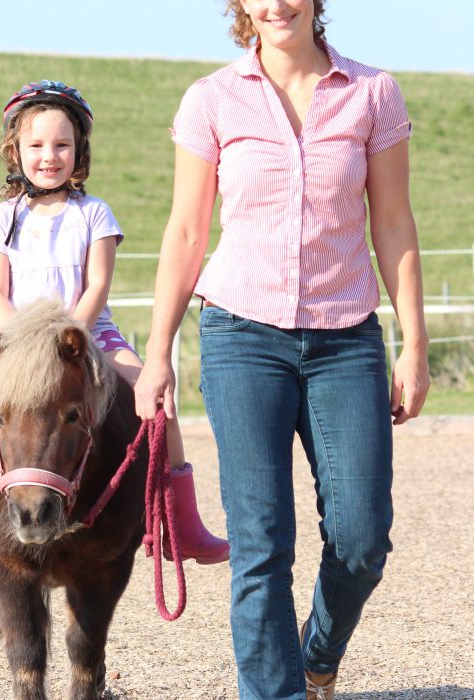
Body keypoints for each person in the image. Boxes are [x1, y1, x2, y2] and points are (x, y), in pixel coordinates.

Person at [133, 1, 430, 698]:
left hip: (345, 339)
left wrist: (413, 344)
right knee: (261, 547)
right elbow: (185, 232)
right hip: (240, 337)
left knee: (362, 539)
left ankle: (316, 657)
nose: (276, 4)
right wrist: (157, 352)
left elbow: (392, 221)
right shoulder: (212, 100)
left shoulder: (371, 93)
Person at [0, 80, 229, 572]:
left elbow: (96, 288)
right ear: (15, 151)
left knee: (159, 406)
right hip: (16, 347)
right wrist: (25, 344)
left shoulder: (94, 214)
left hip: (89, 336)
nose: (50, 156)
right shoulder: (2, 218)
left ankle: (178, 524)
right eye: (36, 145)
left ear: (79, 151)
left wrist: (67, 340)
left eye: (62, 145)